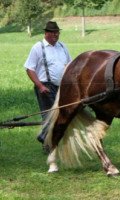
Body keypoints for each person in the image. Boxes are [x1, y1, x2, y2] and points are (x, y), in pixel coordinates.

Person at [24, 21, 71, 150]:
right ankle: (47, 142)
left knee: (61, 114)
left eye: (58, 32)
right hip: (45, 86)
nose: (56, 35)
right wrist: (40, 86)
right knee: (49, 115)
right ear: (46, 33)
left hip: (62, 87)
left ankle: (47, 139)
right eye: (53, 32)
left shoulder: (62, 46)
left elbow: (69, 65)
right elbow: (29, 69)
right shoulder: (38, 47)